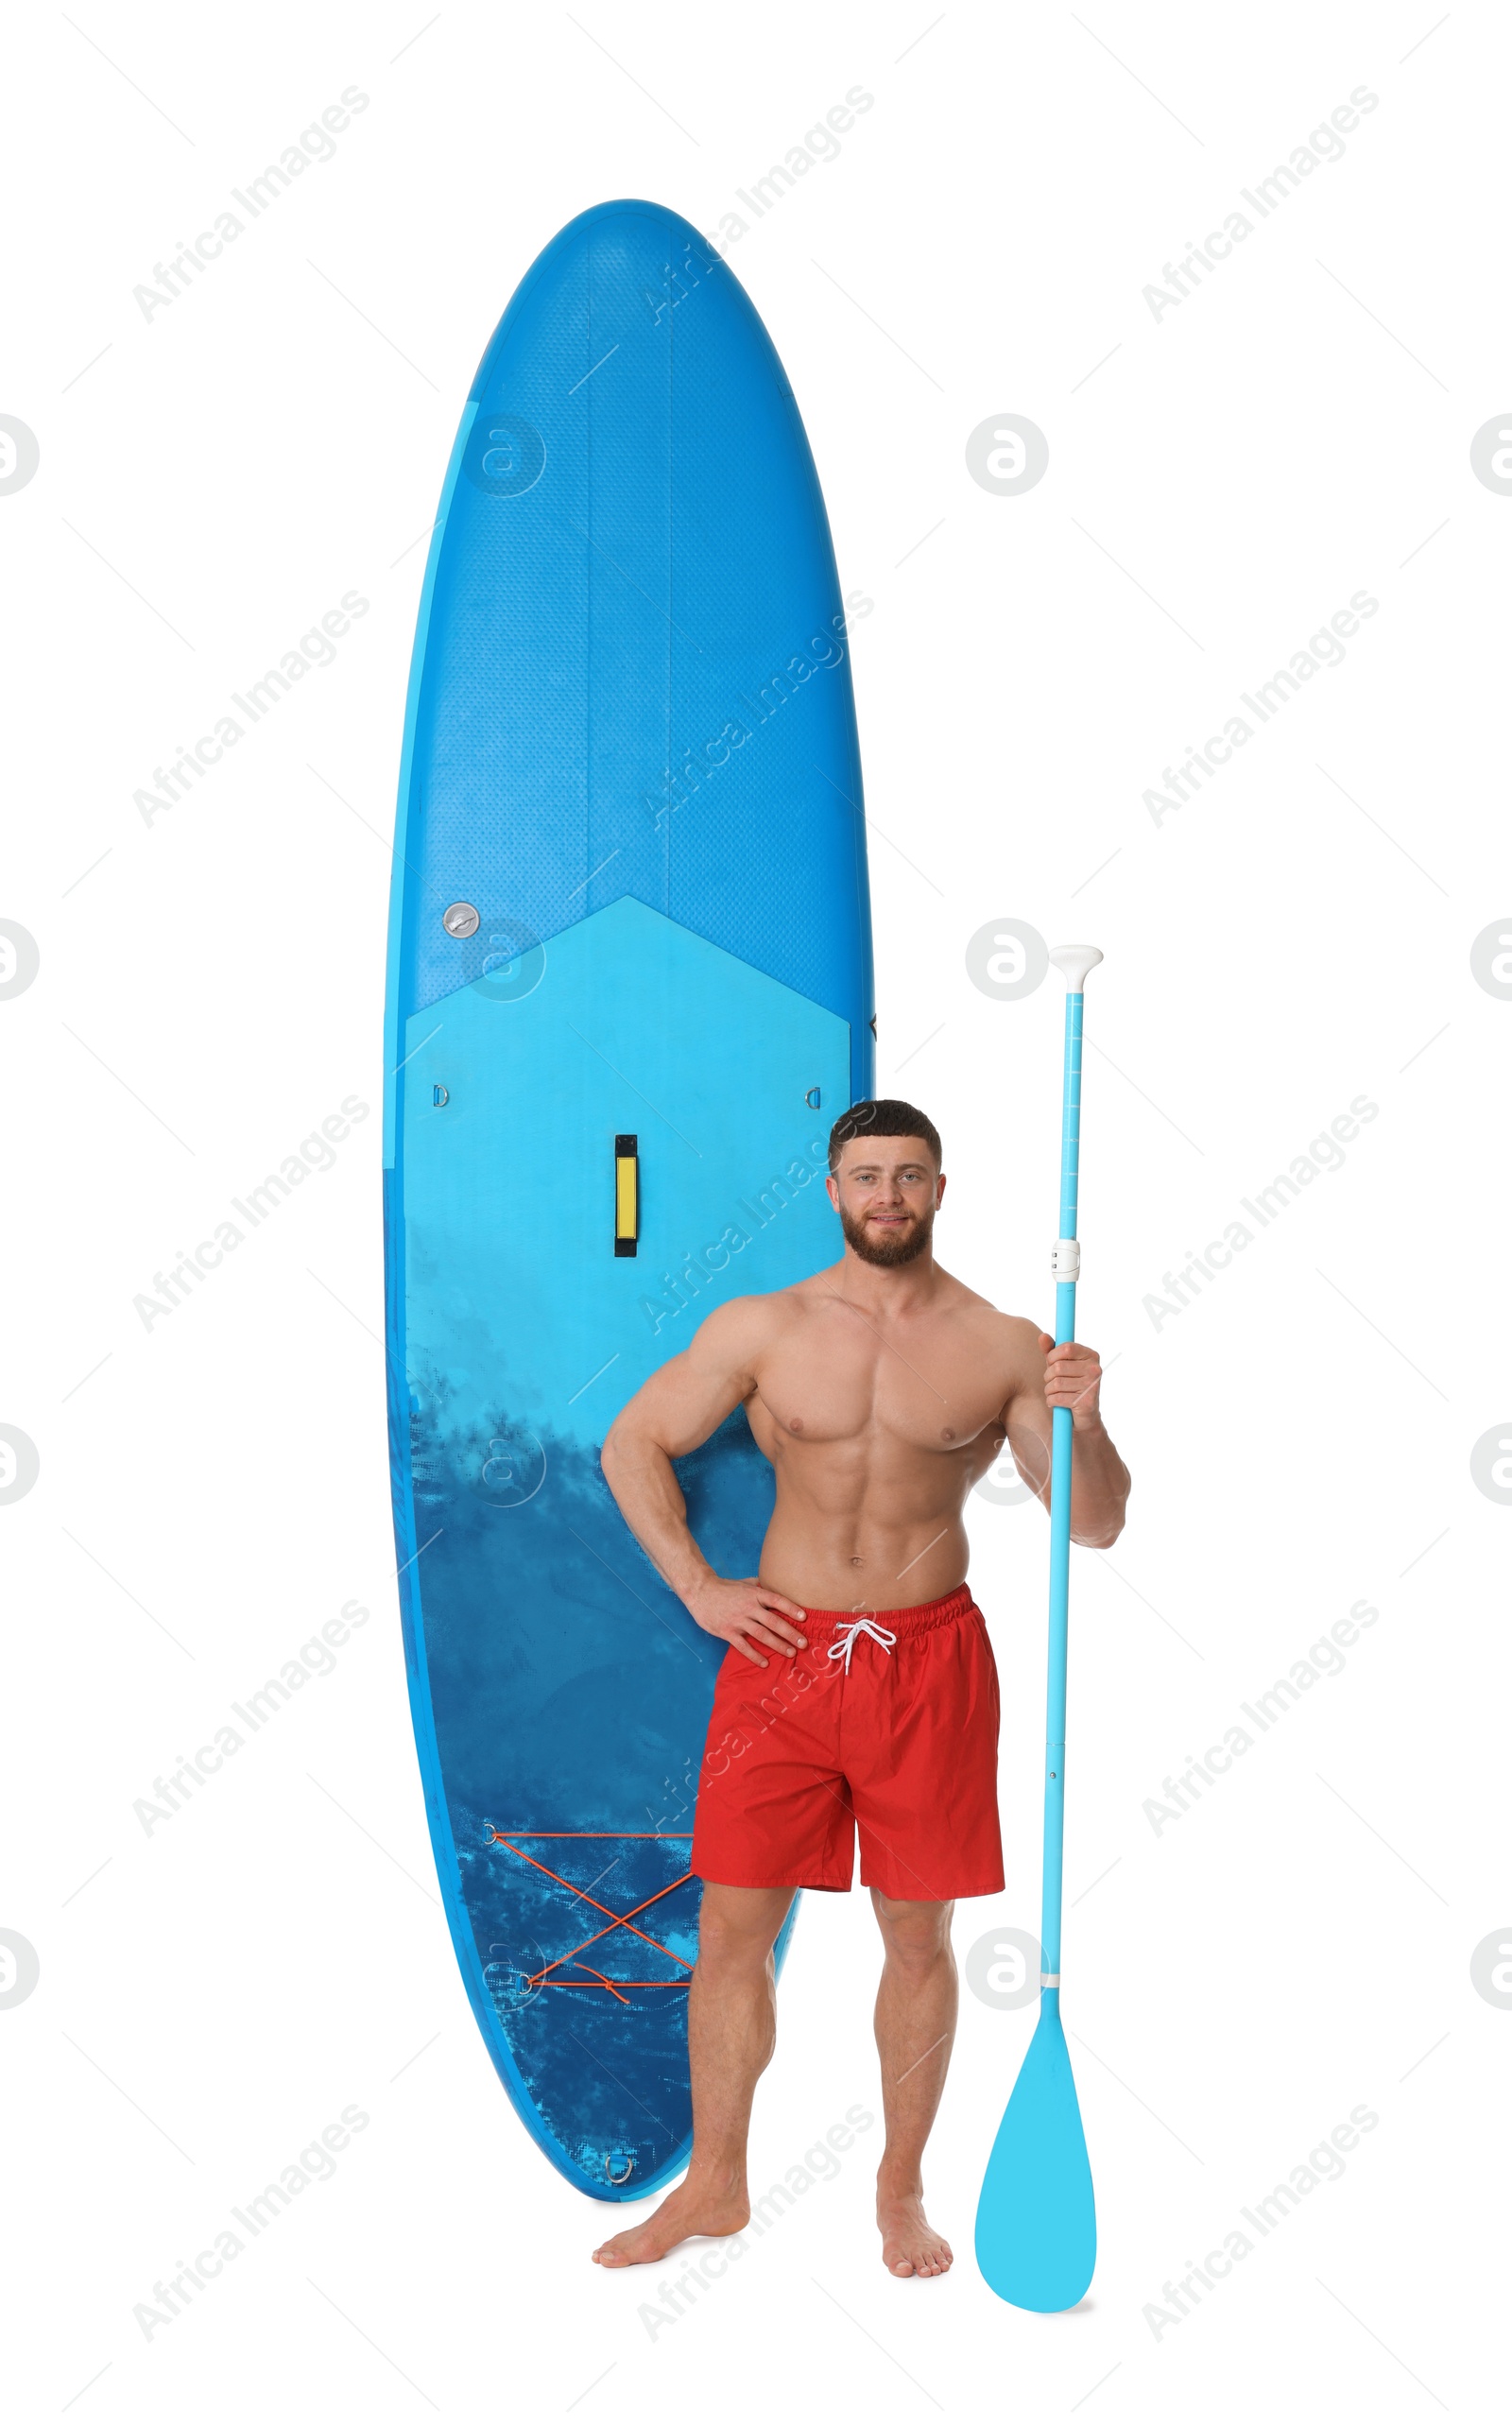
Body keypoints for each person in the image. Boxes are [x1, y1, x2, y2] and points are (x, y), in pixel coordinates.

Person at [592, 1099, 1129, 2279]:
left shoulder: (1003, 1343)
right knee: (731, 1929)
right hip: (778, 1661)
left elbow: (1091, 1523)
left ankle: (898, 2191)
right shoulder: (765, 1325)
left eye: (909, 1175)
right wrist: (697, 1586)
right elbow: (630, 1444)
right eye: (865, 1174)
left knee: (915, 1933)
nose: (886, 1194)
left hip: (925, 1664)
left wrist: (1084, 1419)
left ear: (940, 1190)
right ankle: (715, 2186)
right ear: (832, 1189)